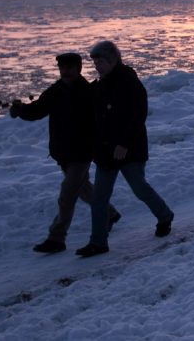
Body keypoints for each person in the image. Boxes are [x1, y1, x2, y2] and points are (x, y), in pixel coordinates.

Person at [10, 53, 121, 253]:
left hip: (82, 153)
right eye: (63, 68)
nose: (66, 71)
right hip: (62, 153)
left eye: (70, 67)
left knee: (67, 194)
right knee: (82, 188)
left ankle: (57, 238)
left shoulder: (88, 92)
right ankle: (109, 213)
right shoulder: (55, 91)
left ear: (78, 69)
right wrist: (20, 110)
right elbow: (37, 111)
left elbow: (105, 119)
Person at [76, 40, 174, 258]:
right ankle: (98, 242)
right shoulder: (99, 85)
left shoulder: (129, 82)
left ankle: (165, 216)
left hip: (129, 150)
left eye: (101, 61)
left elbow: (138, 114)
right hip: (105, 151)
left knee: (139, 188)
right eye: (95, 62)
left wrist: (124, 144)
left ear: (113, 60)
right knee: (99, 198)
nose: (97, 66)